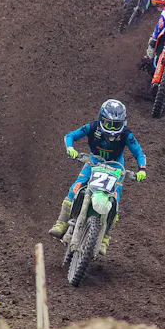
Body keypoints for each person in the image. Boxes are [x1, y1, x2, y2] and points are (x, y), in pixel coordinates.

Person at [49, 99, 147, 255]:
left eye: (116, 125)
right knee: (76, 187)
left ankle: (105, 238)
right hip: (94, 160)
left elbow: (139, 152)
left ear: (123, 123)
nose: (112, 129)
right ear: (101, 119)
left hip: (116, 166)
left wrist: (142, 169)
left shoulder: (126, 134)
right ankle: (61, 223)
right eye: (109, 124)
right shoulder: (93, 127)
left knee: (114, 199)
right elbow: (70, 136)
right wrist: (70, 148)